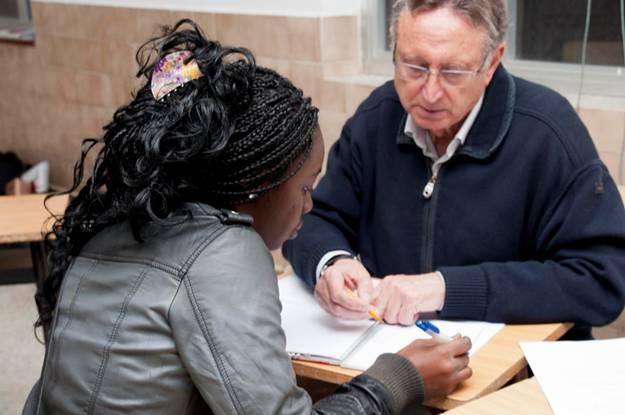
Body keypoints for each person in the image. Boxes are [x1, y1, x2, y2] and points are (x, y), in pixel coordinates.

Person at [23, 19, 473, 415]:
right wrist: (399, 377)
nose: (310, 205)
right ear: (258, 182)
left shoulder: (127, 216)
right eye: (305, 188)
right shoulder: (225, 250)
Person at [283, 0, 625, 340]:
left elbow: (602, 279)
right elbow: (310, 218)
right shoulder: (378, 118)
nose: (430, 93)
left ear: (492, 62)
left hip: (515, 371)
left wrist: (446, 289)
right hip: (394, 357)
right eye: (414, 66)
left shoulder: (549, 133)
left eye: (453, 72)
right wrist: (331, 262)